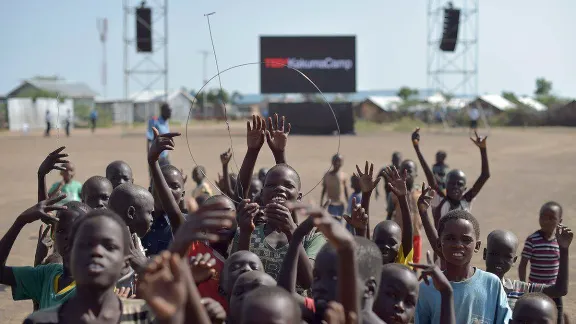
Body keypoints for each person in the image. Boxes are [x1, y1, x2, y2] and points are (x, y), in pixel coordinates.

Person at [22, 209, 192, 324]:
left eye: (109, 247)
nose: (96, 252)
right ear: (69, 252)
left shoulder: (145, 316)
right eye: (85, 245)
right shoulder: (41, 321)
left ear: (126, 260)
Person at [415, 210, 512, 323]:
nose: (458, 245)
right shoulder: (427, 287)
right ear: (438, 243)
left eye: (466, 240)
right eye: (450, 238)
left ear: (477, 246)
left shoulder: (491, 284)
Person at [411, 128, 490, 224]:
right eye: (452, 183)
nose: (455, 186)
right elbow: (429, 175)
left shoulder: (466, 201)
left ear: (464, 189)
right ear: (446, 186)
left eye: (459, 184)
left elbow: (485, 175)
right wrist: (417, 148)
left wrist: (483, 150)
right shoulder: (439, 200)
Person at [484, 227, 571, 312]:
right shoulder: (473, 283)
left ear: (514, 261)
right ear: (485, 254)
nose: (500, 261)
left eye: (507, 257)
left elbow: (559, 290)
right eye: (494, 254)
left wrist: (563, 249)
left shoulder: (521, 290)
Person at [519, 201, 564, 322]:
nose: (546, 221)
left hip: (554, 290)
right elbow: (523, 264)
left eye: (551, 218)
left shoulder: (560, 242)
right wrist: (524, 287)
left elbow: (562, 267)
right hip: (536, 289)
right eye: (543, 217)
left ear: (559, 221)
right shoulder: (532, 240)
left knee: (558, 319)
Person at [321, 154, 349, 219]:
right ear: (332, 162)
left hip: (340, 205)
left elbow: (345, 190)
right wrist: (321, 202)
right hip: (331, 204)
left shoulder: (343, 175)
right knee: (332, 222)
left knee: (338, 223)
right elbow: (324, 189)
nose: (337, 163)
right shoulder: (327, 175)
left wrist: (349, 203)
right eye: (336, 161)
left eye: (340, 161)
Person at [146, 103, 172, 168]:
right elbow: (149, 140)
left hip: (165, 158)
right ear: (162, 111)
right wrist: (151, 159)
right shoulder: (154, 122)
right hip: (157, 159)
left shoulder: (166, 122)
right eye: (168, 110)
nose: (170, 112)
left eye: (171, 110)